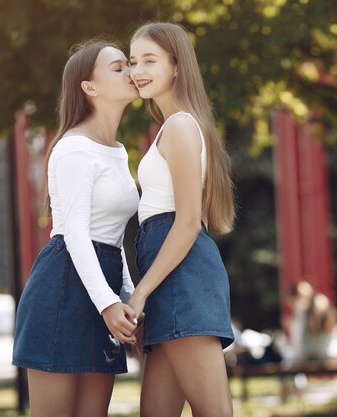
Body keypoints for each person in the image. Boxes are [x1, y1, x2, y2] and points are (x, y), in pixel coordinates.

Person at [12, 40, 140, 417]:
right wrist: (109, 303)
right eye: (118, 67)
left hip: (103, 284)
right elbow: (77, 234)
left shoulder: (117, 150)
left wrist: (127, 295)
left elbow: (113, 237)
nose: (131, 72)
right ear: (90, 87)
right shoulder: (73, 148)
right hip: (65, 287)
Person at [128, 22, 236, 417]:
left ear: (176, 66)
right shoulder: (173, 127)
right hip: (170, 276)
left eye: (149, 60)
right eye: (133, 61)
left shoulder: (179, 127)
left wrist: (139, 295)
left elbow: (188, 222)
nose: (137, 70)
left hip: (182, 277)